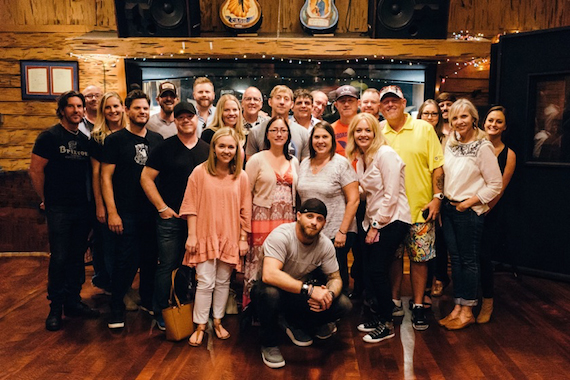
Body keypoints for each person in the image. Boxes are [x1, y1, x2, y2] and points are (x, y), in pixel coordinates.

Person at [29, 90, 100, 331]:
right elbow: (36, 170)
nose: (77, 110)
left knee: (77, 257)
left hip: (82, 207)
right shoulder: (48, 137)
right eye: (71, 106)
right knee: (59, 257)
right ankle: (55, 308)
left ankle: (73, 301)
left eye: (80, 106)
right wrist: (45, 199)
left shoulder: (84, 140)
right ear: (62, 110)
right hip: (58, 208)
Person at [253, 198, 352, 369]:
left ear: (324, 223)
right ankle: (269, 343)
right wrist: (310, 290)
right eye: (310, 216)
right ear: (298, 216)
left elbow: (335, 278)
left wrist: (329, 295)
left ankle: (294, 323)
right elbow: (269, 275)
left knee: (344, 304)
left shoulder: (325, 245)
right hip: (268, 291)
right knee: (271, 294)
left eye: (319, 219)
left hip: (297, 293)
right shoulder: (282, 235)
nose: (314, 222)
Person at [179, 127, 252, 346]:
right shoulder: (199, 172)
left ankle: (218, 321)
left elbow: (245, 210)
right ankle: (200, 325)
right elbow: (190, 206)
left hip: (229, 236)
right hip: (204, 234)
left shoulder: (242, 177)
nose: (226, 150)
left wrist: (242, 238)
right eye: (222, 146)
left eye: (231, 147)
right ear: (213, 148)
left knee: (222, 282)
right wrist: (191, 235)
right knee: (205, 282)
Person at [141, 101, 210, 329]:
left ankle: (185, 307)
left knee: (190, 266)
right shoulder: (164, 147)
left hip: (199, 221)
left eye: (189, 116)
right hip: (171, 219)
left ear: (196, 119)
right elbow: (146, 178)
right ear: (176, 120)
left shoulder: (207, 149)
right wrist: (161, 207)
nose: (185, 120)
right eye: (180, 117)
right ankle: (163, 310)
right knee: (168, 265)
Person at [380, 85, 444, 331]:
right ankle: (395, 301)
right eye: (385, 101)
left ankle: (418, 306)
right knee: (393, 258)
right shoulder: (378, 131)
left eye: (394, 100)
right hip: (391, 211)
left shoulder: (424, 128)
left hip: (420, 209)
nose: (390, 105)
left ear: (404, 102)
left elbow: (437, 165)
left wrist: (437, 196)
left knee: (420, 259)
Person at [101, 89, 164, 329]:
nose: (142, 112)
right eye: (137, 108)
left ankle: (147, 300)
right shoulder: (115, 140)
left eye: (145, 108)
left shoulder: (157, 140)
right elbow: (105, 178)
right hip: (125, 211)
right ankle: (116, 307)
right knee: (124, 261)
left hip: (151, 211)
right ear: (127, 111)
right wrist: (112, 212)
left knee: (150, 260)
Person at [346, 112, 411, 343]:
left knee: (377, 271)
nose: (363, 134)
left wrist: (376, 226)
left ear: (376, 132)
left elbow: (391, 195)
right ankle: (379, 314)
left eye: (367, 130)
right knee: (369, 272)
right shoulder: (362, 158)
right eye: (358, 130)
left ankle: (387, 324)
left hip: (392, 219)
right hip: (373, 219)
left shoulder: (386, 154)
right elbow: (368, 192)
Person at [439, 99, 502, 330]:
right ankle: (458, 306)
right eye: (454, 117)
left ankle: (468, 311)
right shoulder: (450, 142)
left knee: (469, 261)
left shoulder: (483, 146)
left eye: (463, 116)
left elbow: (495, 185)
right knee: (455, 261)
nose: (459, 121)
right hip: (448, 208)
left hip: (467, 211)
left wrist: (469, 203)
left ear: (474, 118)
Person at [297, 121, 359, 295]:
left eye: (325, 137)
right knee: (314, 277)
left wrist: (342, 231)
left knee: (334, 276)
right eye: (316, 137)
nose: (320, 141)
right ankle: (317, 313)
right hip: (311, 232)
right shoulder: (304, 164)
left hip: (336, 231)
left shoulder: (341, 163)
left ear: (332, 140)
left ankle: (337, 313)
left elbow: (353, 199)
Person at [244, 117, 299, 309]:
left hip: (287, 220)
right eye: (274, 130)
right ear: (267, 134)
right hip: (261, 218)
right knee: (260, 263)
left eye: (283, 130)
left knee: (283, 263)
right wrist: (244, 229)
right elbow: (246, 194)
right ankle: (255, 309)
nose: (279, 134)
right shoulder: (257, 159)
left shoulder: (294, 162)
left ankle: (281, 309)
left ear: (288, 135)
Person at [478, 105, 516, 324]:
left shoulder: (509, 154)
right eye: (490, 120)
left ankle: (487, 302)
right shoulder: (475, 146)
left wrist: (481, 212)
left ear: (505, 126)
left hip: (489, 212)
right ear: (484, 122)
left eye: (498, 121)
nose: (493, 125)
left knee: (484, 257)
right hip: (470, 208)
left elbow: (499, 188)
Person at [89, 92, 129, 294]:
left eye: (116, 106)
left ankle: (125, 287)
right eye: (108, 107)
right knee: (110, 248)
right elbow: (97, 175)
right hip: (107, 199)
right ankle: (114, 290)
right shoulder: (98, 138)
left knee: (127, 249)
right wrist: (100, 205)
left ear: (123, 108)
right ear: (102, 111)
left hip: (127, 199)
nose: (113, 110)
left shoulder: (130, 134)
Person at [417, 99, 449, 301]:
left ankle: (439, 280)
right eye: (426, 113)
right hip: (421, 196)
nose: (429, 117)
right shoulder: (415, 136)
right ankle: (426, 287)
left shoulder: (446, 139)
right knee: (424, 247)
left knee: (439, 243)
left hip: (441, 196)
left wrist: (439, 196)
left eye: (433, 114)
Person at [246, 85, 310, 161]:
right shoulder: (255, 132)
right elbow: (251, 165)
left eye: (286, 99)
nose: (282, 102)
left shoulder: (303, 133)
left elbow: (305, 167)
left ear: (292, 104)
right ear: (270, 102)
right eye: (278, 98)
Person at [332, 85, 359, 156]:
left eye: (350, 100)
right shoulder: (330, 130)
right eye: (342, 101)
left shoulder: (367, 127)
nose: (346, 104)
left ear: (358, 103)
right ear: (336, 105)